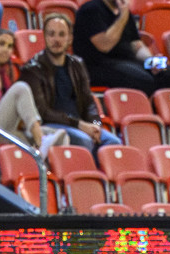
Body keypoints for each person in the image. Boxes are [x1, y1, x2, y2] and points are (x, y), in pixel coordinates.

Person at [19, 13, 122, 157]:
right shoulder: (32, 68)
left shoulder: (77, 64)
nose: (56, 39)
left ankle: (99, 178)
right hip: (50, 125)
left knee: (113, 142)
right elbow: (43, 111)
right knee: (84, 140)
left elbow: (89, 103)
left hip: (79, 125)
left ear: (69, 39)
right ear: (45, 37)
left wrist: (96, 126)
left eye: (62, 35)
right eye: (52, 34)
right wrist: (79, 125)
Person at [0, 28, 68, 156]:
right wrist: (0, 112)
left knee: (60, 135)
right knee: (20, 88)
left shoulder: (7, 74)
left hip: (5, 130)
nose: (6, 49)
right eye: (1, 44)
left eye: (10, 46)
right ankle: (41, 141)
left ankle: (45, 171)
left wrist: (16, 117)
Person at [72, 0, 170, 95]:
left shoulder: (124, 11)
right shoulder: (91, 9)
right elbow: (105, 45)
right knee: (144, 81)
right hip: (98, 66)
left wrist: (151, 60)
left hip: (130, 62)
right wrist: (123, 16)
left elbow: (136, 45)